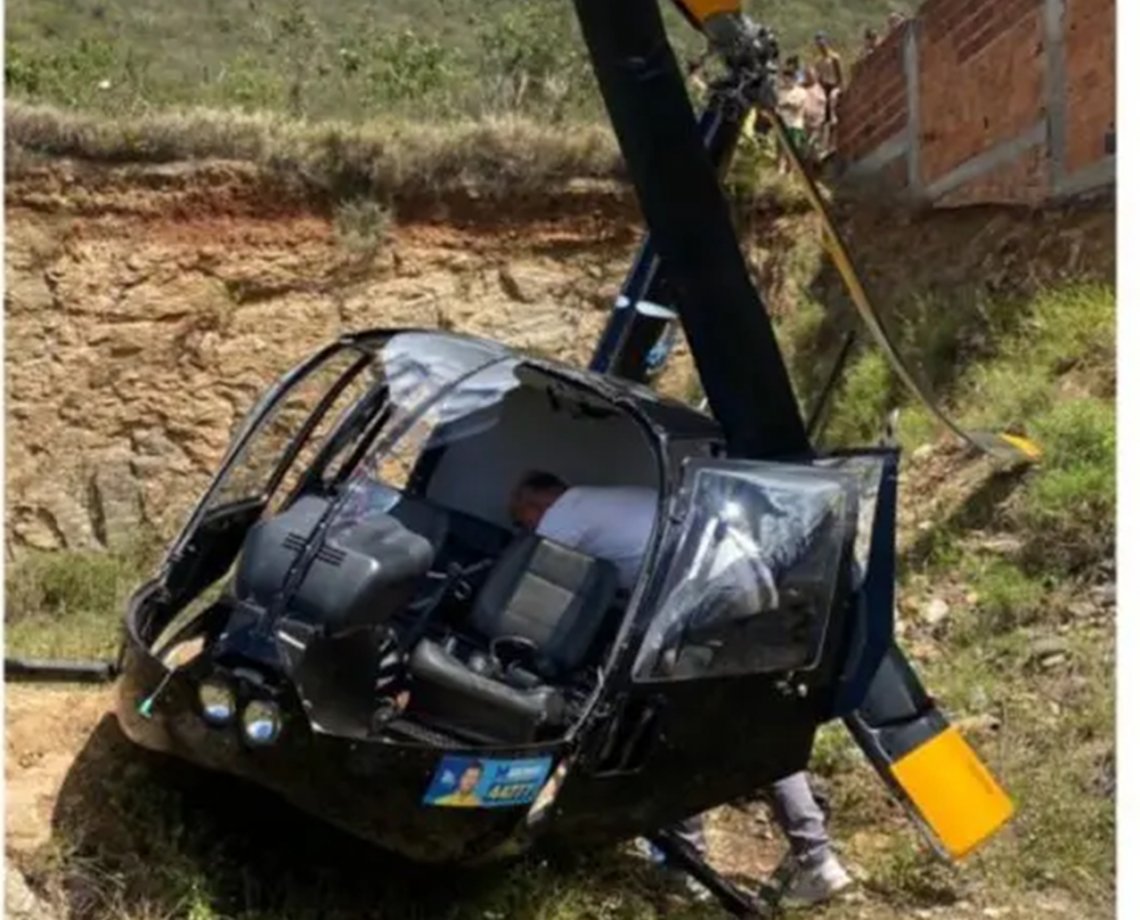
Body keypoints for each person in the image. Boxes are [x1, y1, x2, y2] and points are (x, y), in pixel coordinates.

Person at [507, 471, 854, 906]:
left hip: (712, 594)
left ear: (535, 502)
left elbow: (536, 590)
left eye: (520, 520)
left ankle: (683, 866)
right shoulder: (614, 495)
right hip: (757, 579)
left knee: (669, 721)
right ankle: (818, 860)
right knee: (751, 721)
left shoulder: (562, 515)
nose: (523, 528)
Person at [775, 59, 809, 175]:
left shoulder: (801, 91)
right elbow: (777, 107)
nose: (786, 80)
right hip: (782, 124)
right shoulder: (780, 92)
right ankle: (780, 172)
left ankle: (793, 174)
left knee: (793, 152)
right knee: (781, 150)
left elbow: (797, 107)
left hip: (795, 125)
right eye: (785, 77)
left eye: (789, 77)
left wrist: (786, 105)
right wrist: (784, 106)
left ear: (794, 78)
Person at [813, 32, 844, 132]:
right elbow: (819, 77)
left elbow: (840, 74)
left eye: (822, 43)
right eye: (818, 44)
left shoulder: (834, 58)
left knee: (832, 97)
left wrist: (840, 86)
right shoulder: (819, 61)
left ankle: (833, 116)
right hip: (824, 86)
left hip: (834, 85)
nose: (821, 46)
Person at [801, 65, 830, 162]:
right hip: (806, 121)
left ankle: (818, 161)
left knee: (816, 144)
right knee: (810, 145)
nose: (809, 77)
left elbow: (823, 102)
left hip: (819, 121)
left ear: (816, 75)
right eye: (807, 75)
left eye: (811, 74)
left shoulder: (821, 87)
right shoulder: (803, 88)